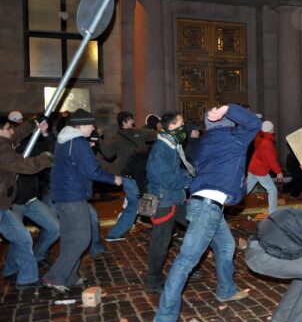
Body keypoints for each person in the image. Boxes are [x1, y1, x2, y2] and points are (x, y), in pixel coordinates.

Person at [151, 104, 261, 322]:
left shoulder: (205, 143)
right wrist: (229, 108)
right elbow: (254, 123)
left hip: (204, 205)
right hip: (207, 209)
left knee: (227, 246)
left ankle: (226, 290)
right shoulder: (233, 138)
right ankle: (164, 319)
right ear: (228, 123)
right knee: (185, 262)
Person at [41, 109, 122, 294]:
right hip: (73, 195)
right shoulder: (78, 143)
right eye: (91, 125)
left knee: (70, 237)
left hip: (64, 194)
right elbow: (91, 171)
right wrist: (113, 179)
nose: (93, 128)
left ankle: (70, 276)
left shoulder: (66, 140)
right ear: (83, 125)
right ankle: (54, 277)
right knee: (81, 238)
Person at [0, 116, 53, 288]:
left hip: (3, 206)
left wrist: (34, 123)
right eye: (9, 128)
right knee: (22, 238)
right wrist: (46, 158)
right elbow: (26, 166)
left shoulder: (5, 143)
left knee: (23, 238)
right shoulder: (1, 149)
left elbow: (16, 135)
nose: (12, 130)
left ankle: (23, 276)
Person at [145, 111, 195, 293]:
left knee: (197, 228)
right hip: (164, 200)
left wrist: (190, 175)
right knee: (160, 243)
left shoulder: (172, 145)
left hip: (176, 198)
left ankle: (186, 268)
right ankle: (153, 281)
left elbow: (177, 171)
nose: (184, 127)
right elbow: (167, 179)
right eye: (181, 124)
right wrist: (190, 181)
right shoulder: (162, 149)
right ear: (172, 126)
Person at [99, 111, 157, 241]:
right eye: (131, 119)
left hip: (133, 176)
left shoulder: (118, 137)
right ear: (124, 121)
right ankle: (115, 233)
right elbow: (157, 135)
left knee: (141, 202)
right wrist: (98, 140)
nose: (133, 121)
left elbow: (107, 154)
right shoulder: (132, 134)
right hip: (133, 177)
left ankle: (162, 228)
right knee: (139, 202)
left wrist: (100, 141)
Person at [245, 120, 284, 217]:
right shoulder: (267, 143)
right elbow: (271, 160)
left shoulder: (260, 137)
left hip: (253, 167)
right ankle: (273, 212)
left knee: (246, 190)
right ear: (269, 129)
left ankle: (230, 204)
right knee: (272, 190)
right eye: (272, 127)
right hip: (260, 170)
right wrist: (278, 172)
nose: (273, 128)